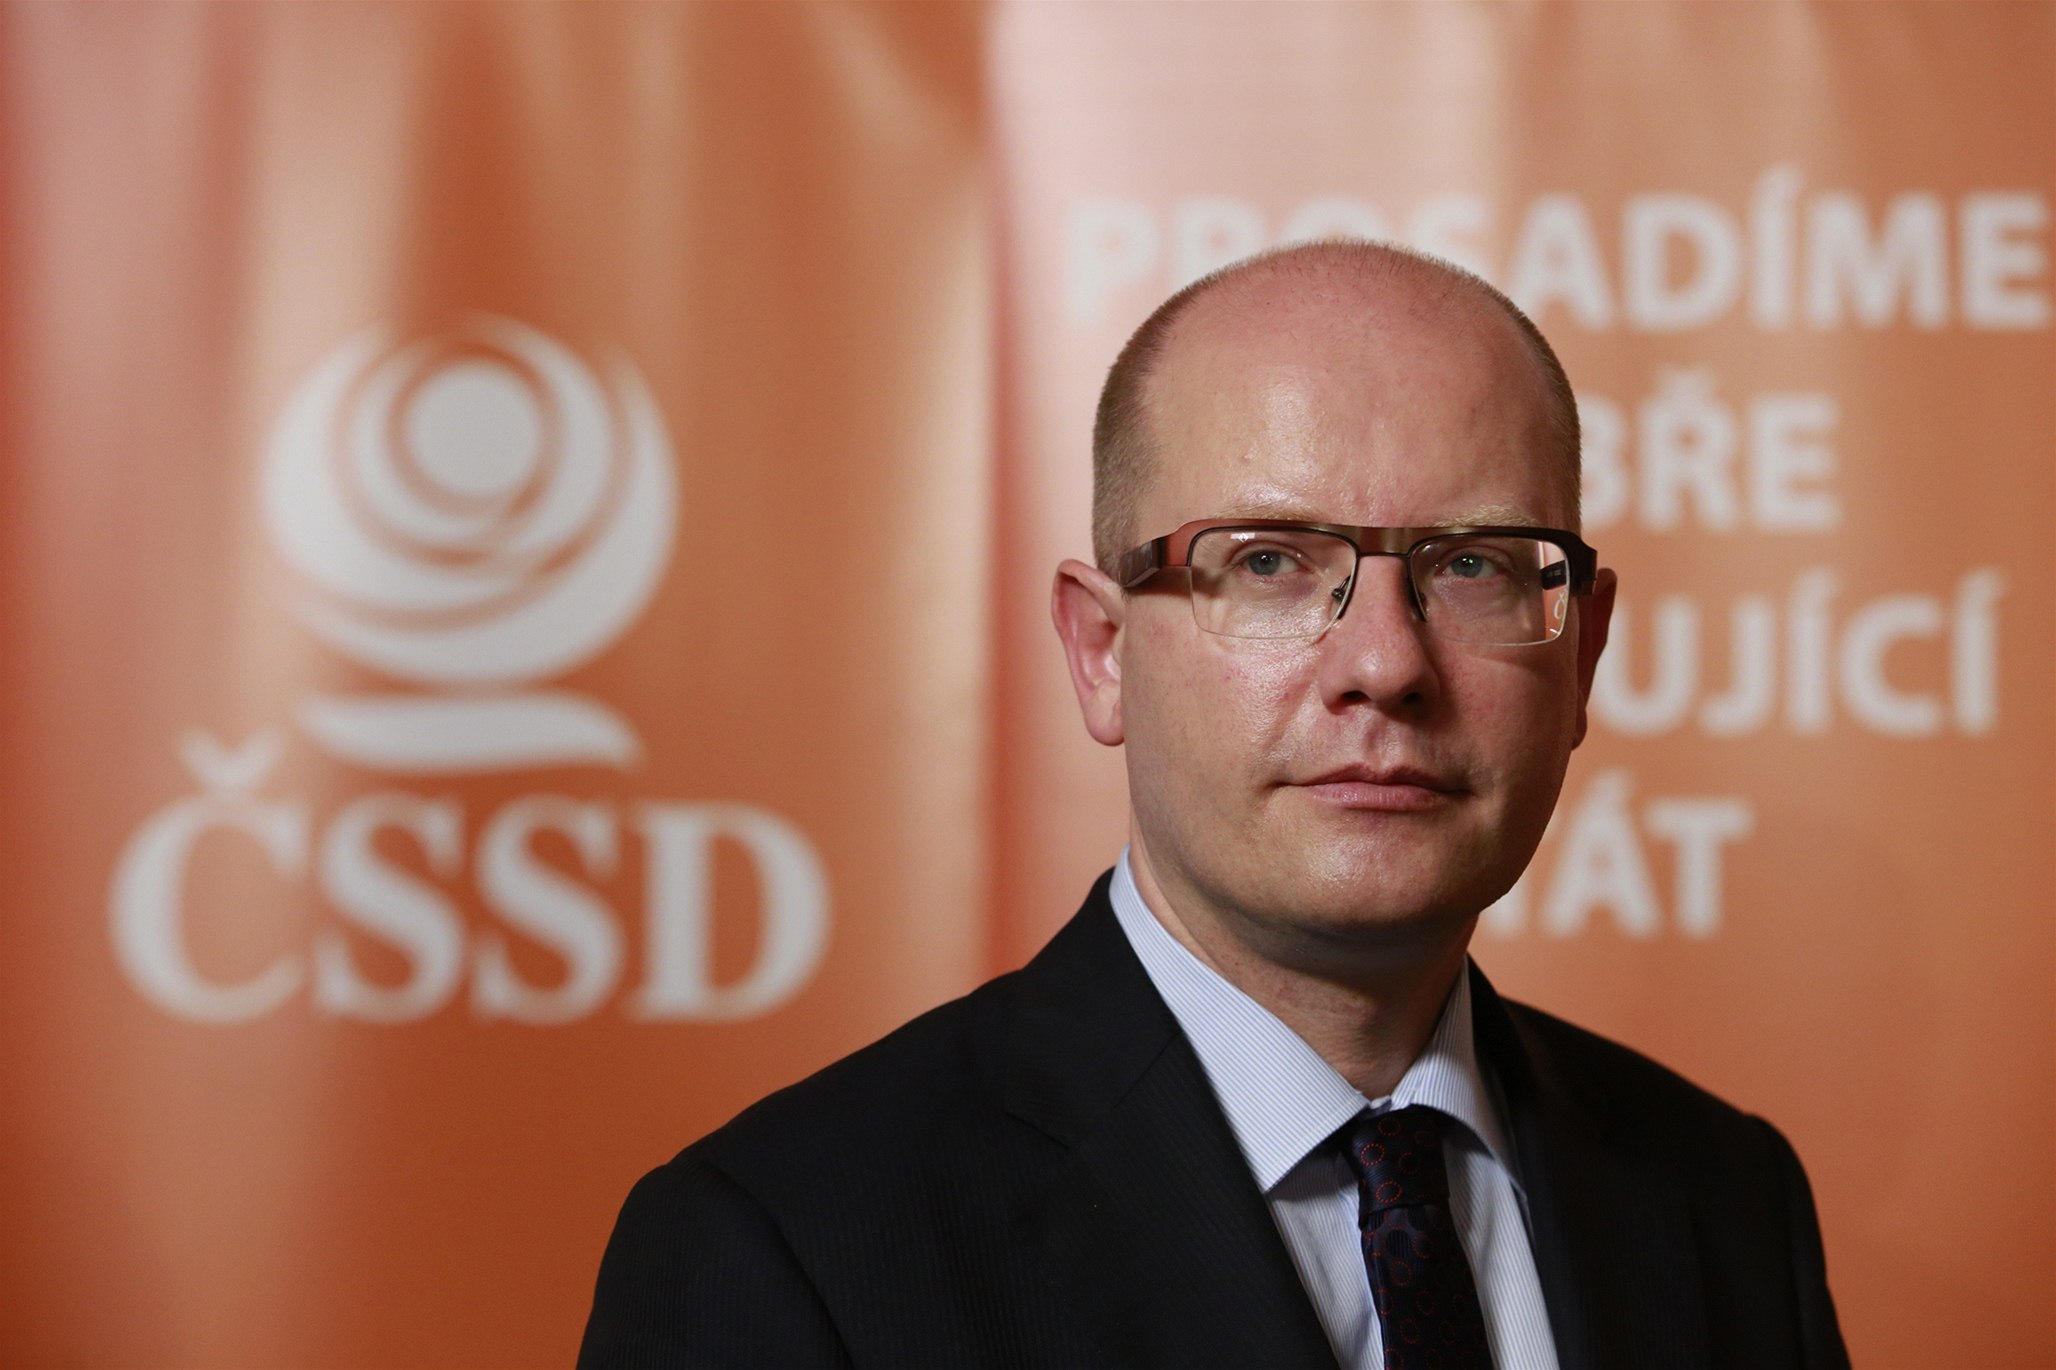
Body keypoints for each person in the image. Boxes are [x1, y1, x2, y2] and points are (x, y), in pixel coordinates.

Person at [579, 241, 1848, 1370]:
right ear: (1102, 651)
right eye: (1270, 562)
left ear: (1583, 655)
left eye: (1472, 563)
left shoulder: (1724, 1200)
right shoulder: (790, 1247)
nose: (1385, 663)